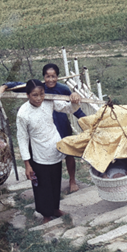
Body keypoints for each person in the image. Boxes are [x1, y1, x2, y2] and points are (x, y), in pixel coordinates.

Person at [0, 63, 86, 192]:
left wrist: (86, 120)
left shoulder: (64, 89)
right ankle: (50, 186)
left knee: (68, 153)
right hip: (44, 128)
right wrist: (5, 86)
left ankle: (72, 180)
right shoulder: (39, 89)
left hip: (61, 125)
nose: (50, 80)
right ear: (43, 77)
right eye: (47, 76)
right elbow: (21, 86)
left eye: (53, 76)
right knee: (47, 156)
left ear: (57, 77)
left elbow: (73, 109)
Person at [16, 79, 81, 223]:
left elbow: (68, 108)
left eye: (41, 94)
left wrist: (74, 100)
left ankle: (55, 209)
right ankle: (46, 215)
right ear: (27, 95)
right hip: (38, 153)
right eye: (35, 95)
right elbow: (22, 138)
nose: (39, 98)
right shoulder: (23, 113)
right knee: (42, 185)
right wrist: (27, 163)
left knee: (55, 181)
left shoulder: (49, 101)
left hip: (54, 148)